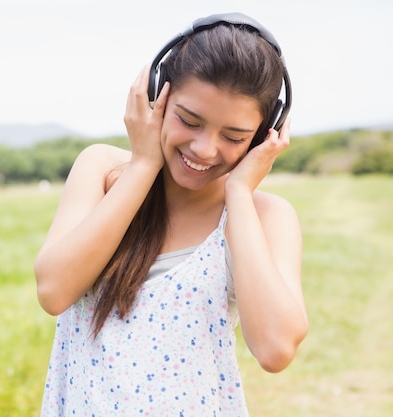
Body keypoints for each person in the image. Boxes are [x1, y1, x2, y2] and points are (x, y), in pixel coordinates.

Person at [34, 12, 308, 416]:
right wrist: (144, 164)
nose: (204, 149)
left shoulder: (266, 216)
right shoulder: (104, 171)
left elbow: (275, 348)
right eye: (188, 120)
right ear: (156, 96)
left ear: (264, 134)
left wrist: (238, 194)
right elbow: (54, 291)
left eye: (233, 137)